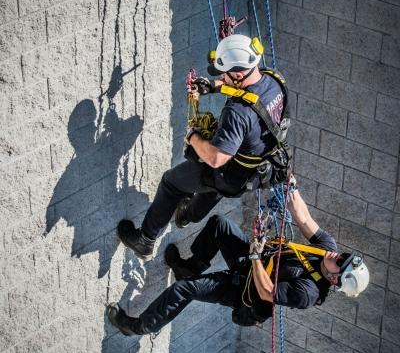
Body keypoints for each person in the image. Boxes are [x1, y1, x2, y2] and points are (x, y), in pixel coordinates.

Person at [107, 183, 370, 335]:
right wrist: (291, 185)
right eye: (345, 256)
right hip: (251, 261)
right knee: (219, 225)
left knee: (182, 291)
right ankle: (189, 267)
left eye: (341, 262)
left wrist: (256, 253)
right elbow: (303, 218)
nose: (338, 256)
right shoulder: (326, 250)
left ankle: (137, 326)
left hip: (243, 290)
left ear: (335, 278)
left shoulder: (308, 293)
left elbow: (267, 291)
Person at [118, 34, 291, 260]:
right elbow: (248, 95)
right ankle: (186, 216)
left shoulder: (237, 114)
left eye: (224, 74)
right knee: (214, 189)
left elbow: (216, 158)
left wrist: (194, 137)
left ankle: (145, 241)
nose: (220, 77)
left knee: (172, 182)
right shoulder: (273, 79)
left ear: (239, 73)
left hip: (225, 170)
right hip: (252, 173)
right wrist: (210, 87)